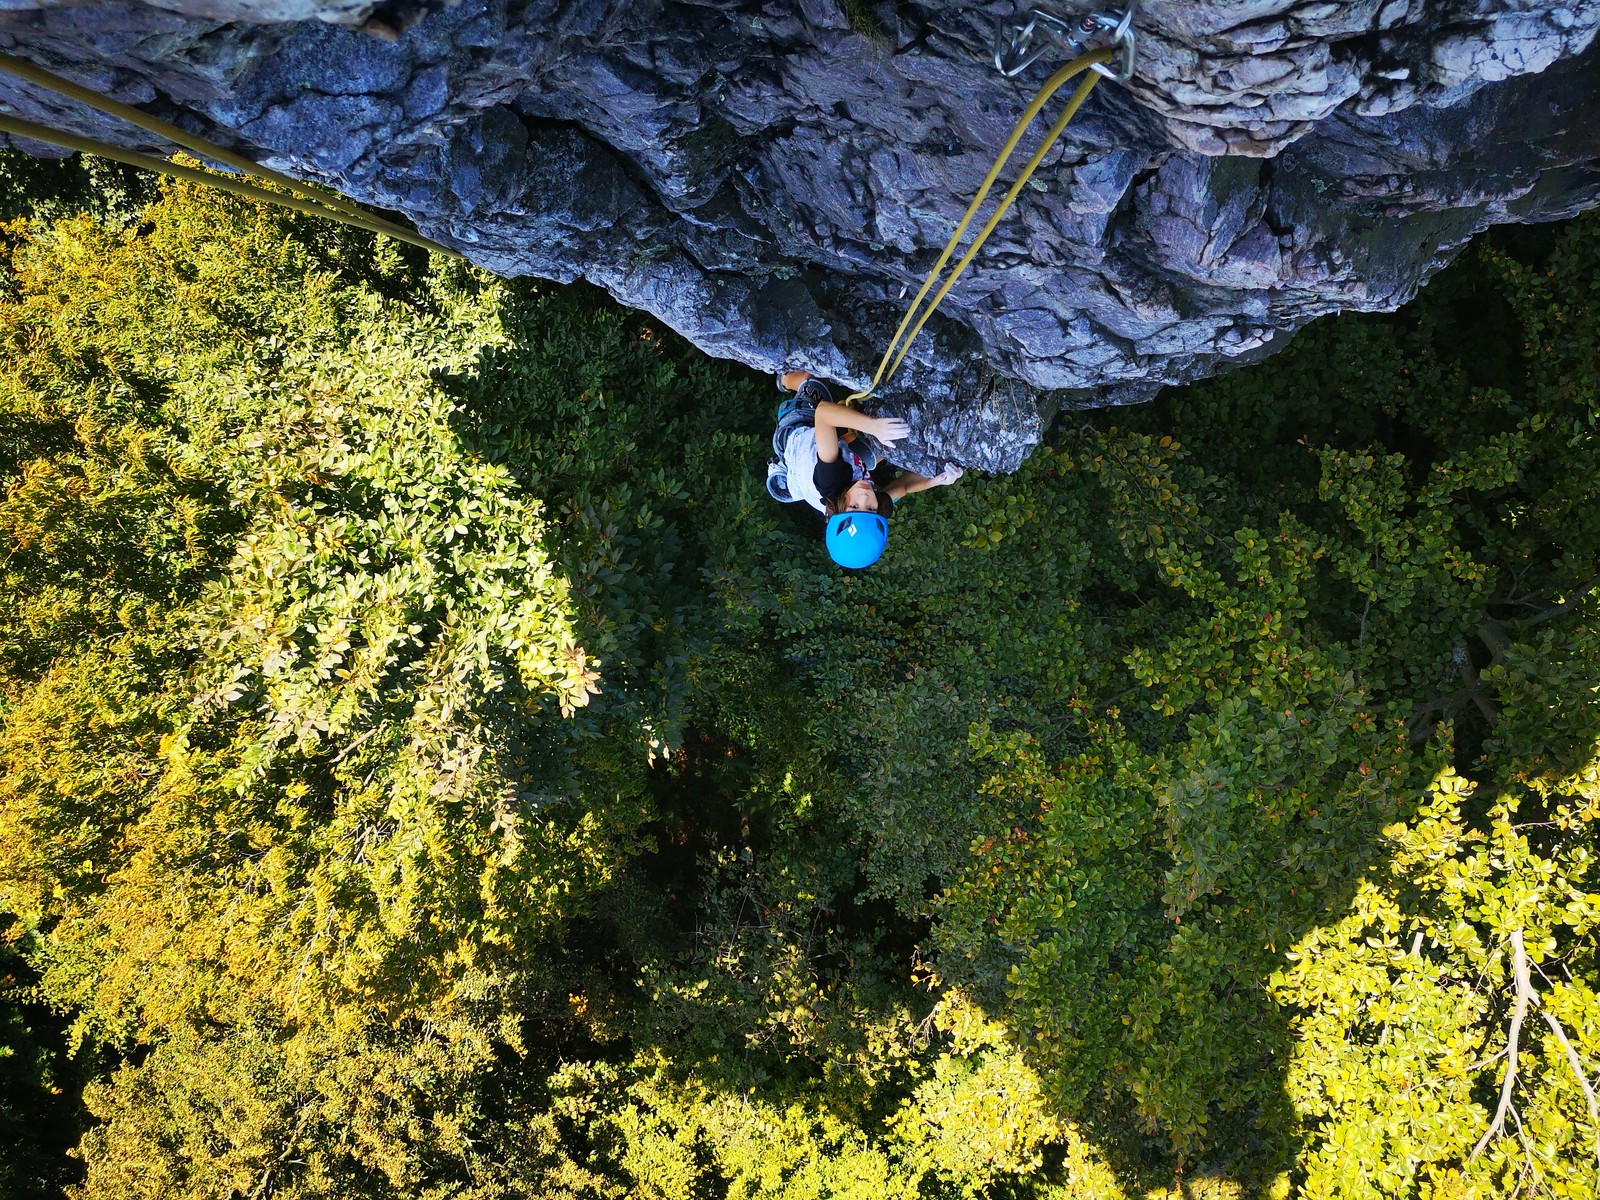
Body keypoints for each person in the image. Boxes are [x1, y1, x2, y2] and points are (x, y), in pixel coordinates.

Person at [766, 369, 963, 568]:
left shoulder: (829, 481)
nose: (864, 496)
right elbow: (904, 486)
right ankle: (796, 478)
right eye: (870, 508)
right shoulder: (872, 505)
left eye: (854, 506)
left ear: (839, 508)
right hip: (838, 461)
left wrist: (873, 426)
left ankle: (784, 379)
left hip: (799, 427)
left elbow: (823, 413)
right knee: (889, 448)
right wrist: (936, 479)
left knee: (816, 379)